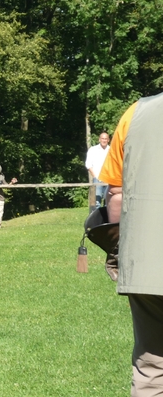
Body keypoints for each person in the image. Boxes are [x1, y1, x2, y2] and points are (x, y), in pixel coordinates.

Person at [99, 93, 163, 396]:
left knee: (151, 368)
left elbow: (116, 193)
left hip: (147, 264)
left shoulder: (137, 112)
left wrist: (119, 250)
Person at [85, 132, 110, 209]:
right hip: (97, 178)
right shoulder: (93, 150)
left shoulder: (111, 150)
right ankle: (96, 220)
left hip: (108, 179)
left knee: (108, 202)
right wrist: (96, 177)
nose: (104, 140)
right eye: (102, 138)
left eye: (106, 139)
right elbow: (88, 165)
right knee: (97, 202)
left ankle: (106, 220)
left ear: (108, 140)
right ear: (99, 139)